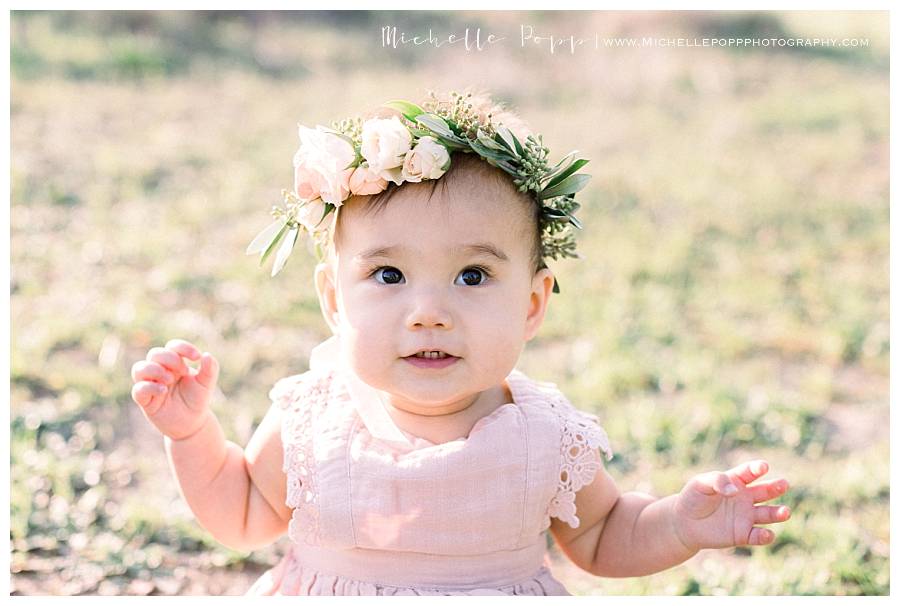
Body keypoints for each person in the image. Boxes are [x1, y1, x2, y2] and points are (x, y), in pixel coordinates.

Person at [130, 90, 792, 596]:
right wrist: (192, 438)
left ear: (533, 303)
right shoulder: (314, 416)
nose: (428, 313)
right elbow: (244, 513)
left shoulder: (544, 434)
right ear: (334, 298)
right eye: (388, 275)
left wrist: (680, 523)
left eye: (472, 276)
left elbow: (601, 533)